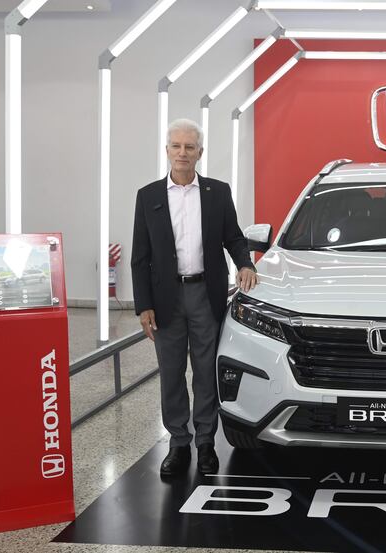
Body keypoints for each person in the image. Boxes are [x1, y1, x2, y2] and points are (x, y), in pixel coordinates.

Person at [131, 118, 258, 476]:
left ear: (200, 152)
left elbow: (233, 236)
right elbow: (140, 257)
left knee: (205, 372)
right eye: (176, 146)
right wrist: (143, 306)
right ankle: (178, 444)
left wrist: (245, 264)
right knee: (171, 374)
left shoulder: (217, 192)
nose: (182, 153)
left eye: (189, 147)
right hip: (165, 299)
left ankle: (205, 443)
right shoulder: (149, 196)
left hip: (206, 294)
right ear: (167, 150)